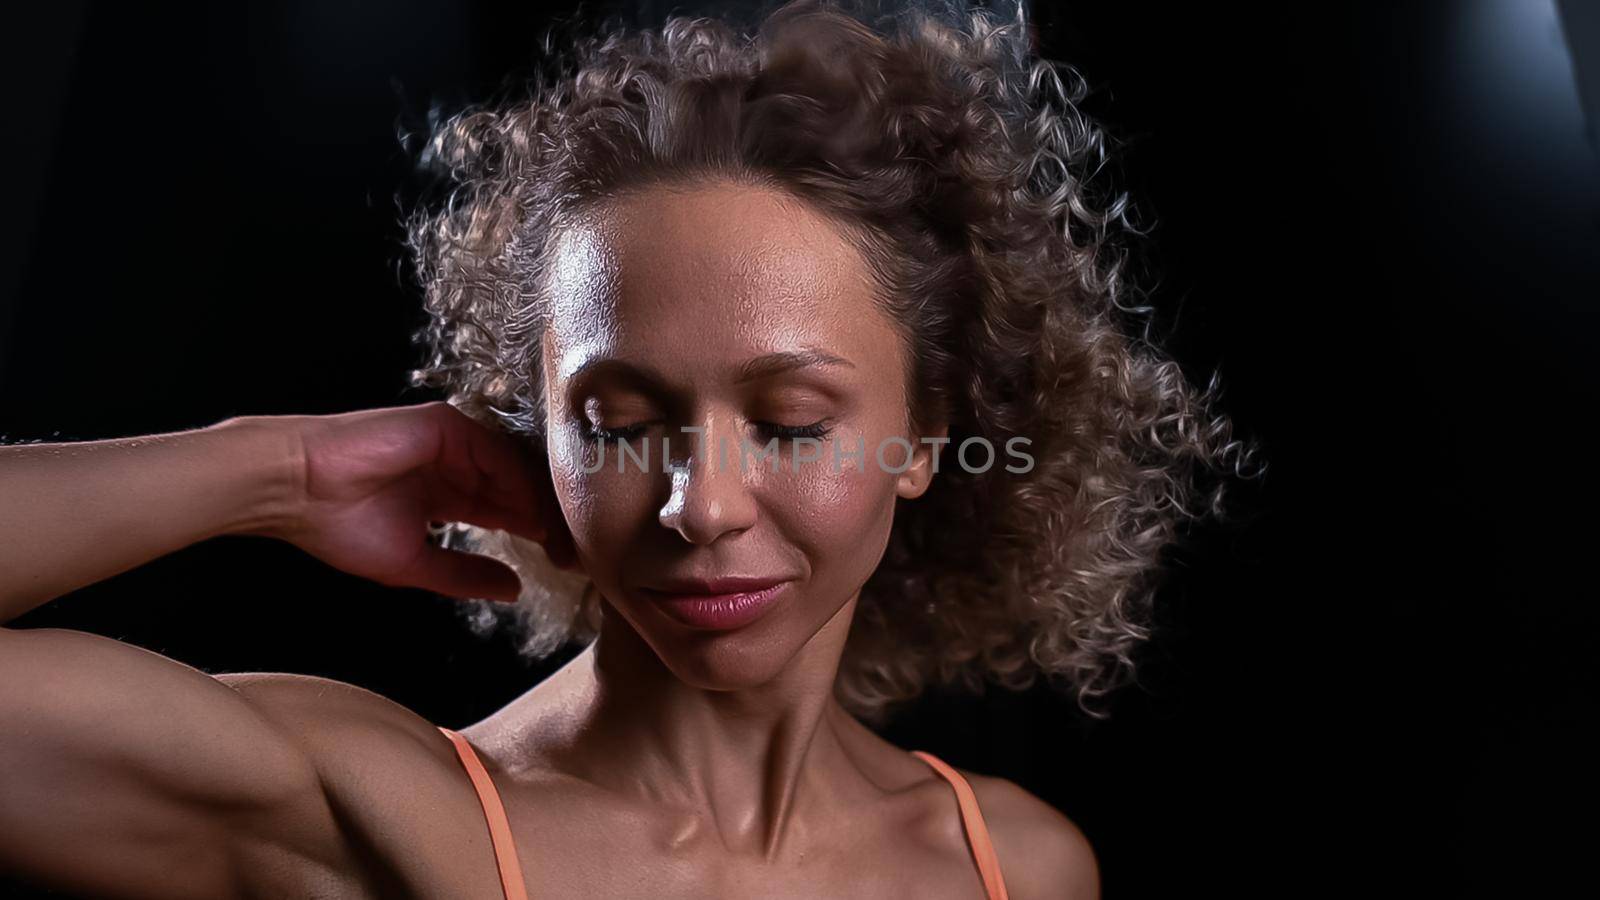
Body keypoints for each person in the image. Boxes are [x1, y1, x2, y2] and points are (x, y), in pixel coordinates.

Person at [0, 1, 1255, 896]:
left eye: (789, 422)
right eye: (617, 424)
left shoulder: (1018, 867)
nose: (699, 507)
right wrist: (279, 470)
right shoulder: (384, 821)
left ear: (924, 436)